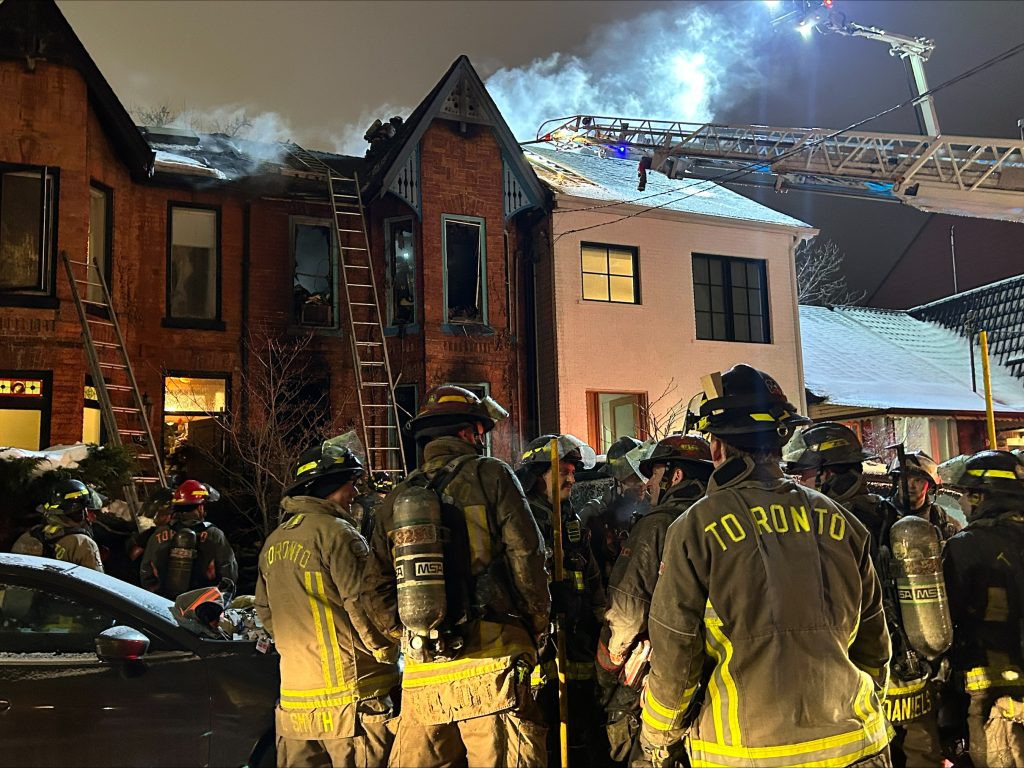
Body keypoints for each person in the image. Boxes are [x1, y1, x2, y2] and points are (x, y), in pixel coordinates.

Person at [638, 364, 893, 768]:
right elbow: (875, 648)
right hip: (858, 745)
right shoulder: (842, 522)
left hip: (747, 754)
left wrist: (657, 739)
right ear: (779, 445)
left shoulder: (695, 527)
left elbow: (676, 661)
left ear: (718, 447)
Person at [361, 385, 550, 767]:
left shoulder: (398, 498)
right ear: (470, 433)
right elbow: (527, 554)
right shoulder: (492, 474)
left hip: (423, 673)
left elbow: (373, 588)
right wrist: (535, 624)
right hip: (493, 663)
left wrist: (412, 633)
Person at [790, 422, 946, 767]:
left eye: (806, 473)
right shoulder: (889, 513)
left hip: (860, 673)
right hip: (911, 667)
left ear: (826, 473)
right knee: (922, 754)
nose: (801, 482)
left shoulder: (820, 522)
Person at [255, 440, 398, 768]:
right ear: (336, 486)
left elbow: (265, 610)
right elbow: (363, 605)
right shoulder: (339, 535)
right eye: (352, 484)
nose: (354, 494)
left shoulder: (274, 541)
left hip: (295, 702)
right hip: (351, 701)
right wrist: (387, 651)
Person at [595, 434, 713, 765]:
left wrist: (607, 673)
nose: (648, 484)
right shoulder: (726, 518)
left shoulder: (658, 524)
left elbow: (627, 610)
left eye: (654, 473)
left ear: (676, 476)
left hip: (660, 678)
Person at [518, 433, 608, 766]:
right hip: (543, 642)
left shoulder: (570, 518)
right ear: (536, 477)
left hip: (578, 634)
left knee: (582, 716)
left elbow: (592, 572)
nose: (571, 479)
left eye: (572, 472)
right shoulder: (524, 521)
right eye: (563, 472)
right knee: (546, 721)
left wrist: (601, 616)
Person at [942, 450, 1024, 767]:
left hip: (990, 691)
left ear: (979, 496)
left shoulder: (965, 545)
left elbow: (945, 621)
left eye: (963, 495)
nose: (961, 504)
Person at [139, 479, 237, 599]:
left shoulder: (159, 534)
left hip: (165, 605)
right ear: (200, 507)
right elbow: (229, 575)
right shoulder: (214, 535)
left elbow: (145, 573)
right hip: (201, 607)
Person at [579, 436, 651, 587]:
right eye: (633, 477)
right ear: (617, 479)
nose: (641, 484)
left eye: (644, 475)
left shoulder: (654, 509)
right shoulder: (595, 513)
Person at [12, 478, 104, 571]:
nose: (92, 517)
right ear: (81, 513)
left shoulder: (29, 537)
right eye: (89, 511)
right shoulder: (83, 544)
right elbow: (97, 581)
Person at [889, 450, 961, 540]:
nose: (910, 486)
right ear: (897, 481)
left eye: (918, 480)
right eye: (905, 479)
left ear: (929, 486)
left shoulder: (942, 521)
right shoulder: (883, 515)